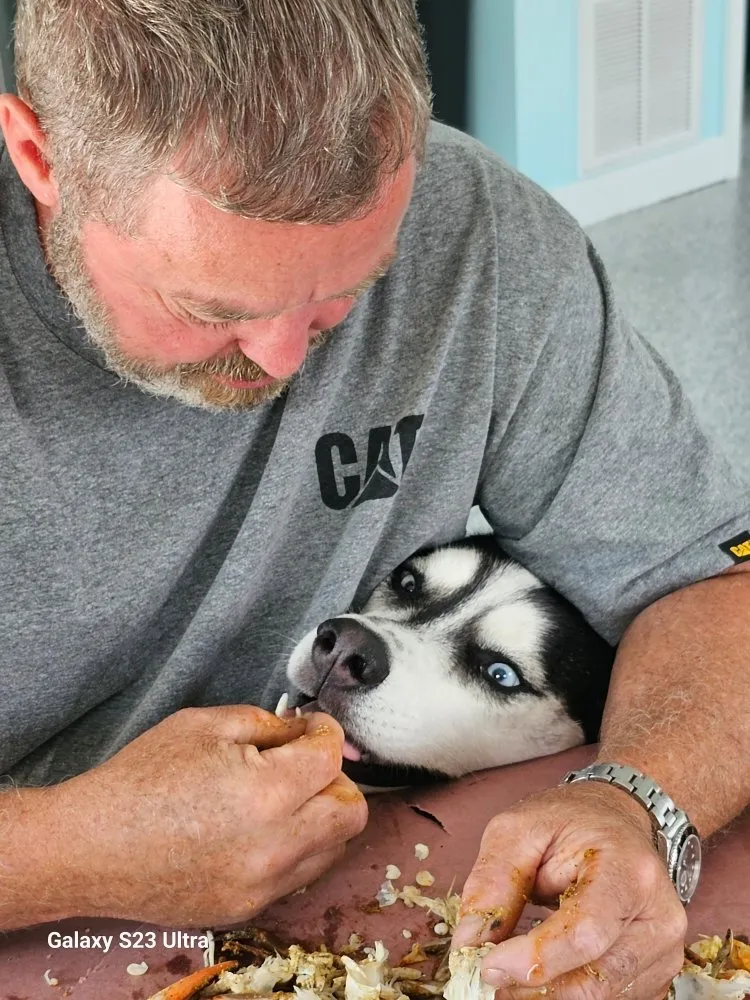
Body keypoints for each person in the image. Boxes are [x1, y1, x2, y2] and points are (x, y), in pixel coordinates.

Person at [0, 1, 748, 997]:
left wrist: (637, 799)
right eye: (211, 307)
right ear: (38, 156)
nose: (281, 360)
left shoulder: (475, 233)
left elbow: (707, 578)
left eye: (344, 293)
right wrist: (61, 847)